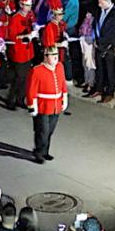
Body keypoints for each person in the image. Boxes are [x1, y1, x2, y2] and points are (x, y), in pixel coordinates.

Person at [26, 25, 68, 165]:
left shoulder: (60, 67)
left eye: (56, 56)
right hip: (43, 105)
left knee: (50, 130)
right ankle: (38, 151)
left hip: (55, 104)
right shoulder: (37, 70)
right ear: (45, 56)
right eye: (52, 56)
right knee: (42, 131)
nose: (55, 58)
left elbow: (62, 84)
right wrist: (32, 105)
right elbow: (31, 89)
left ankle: (45, 151)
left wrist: (64, 98)